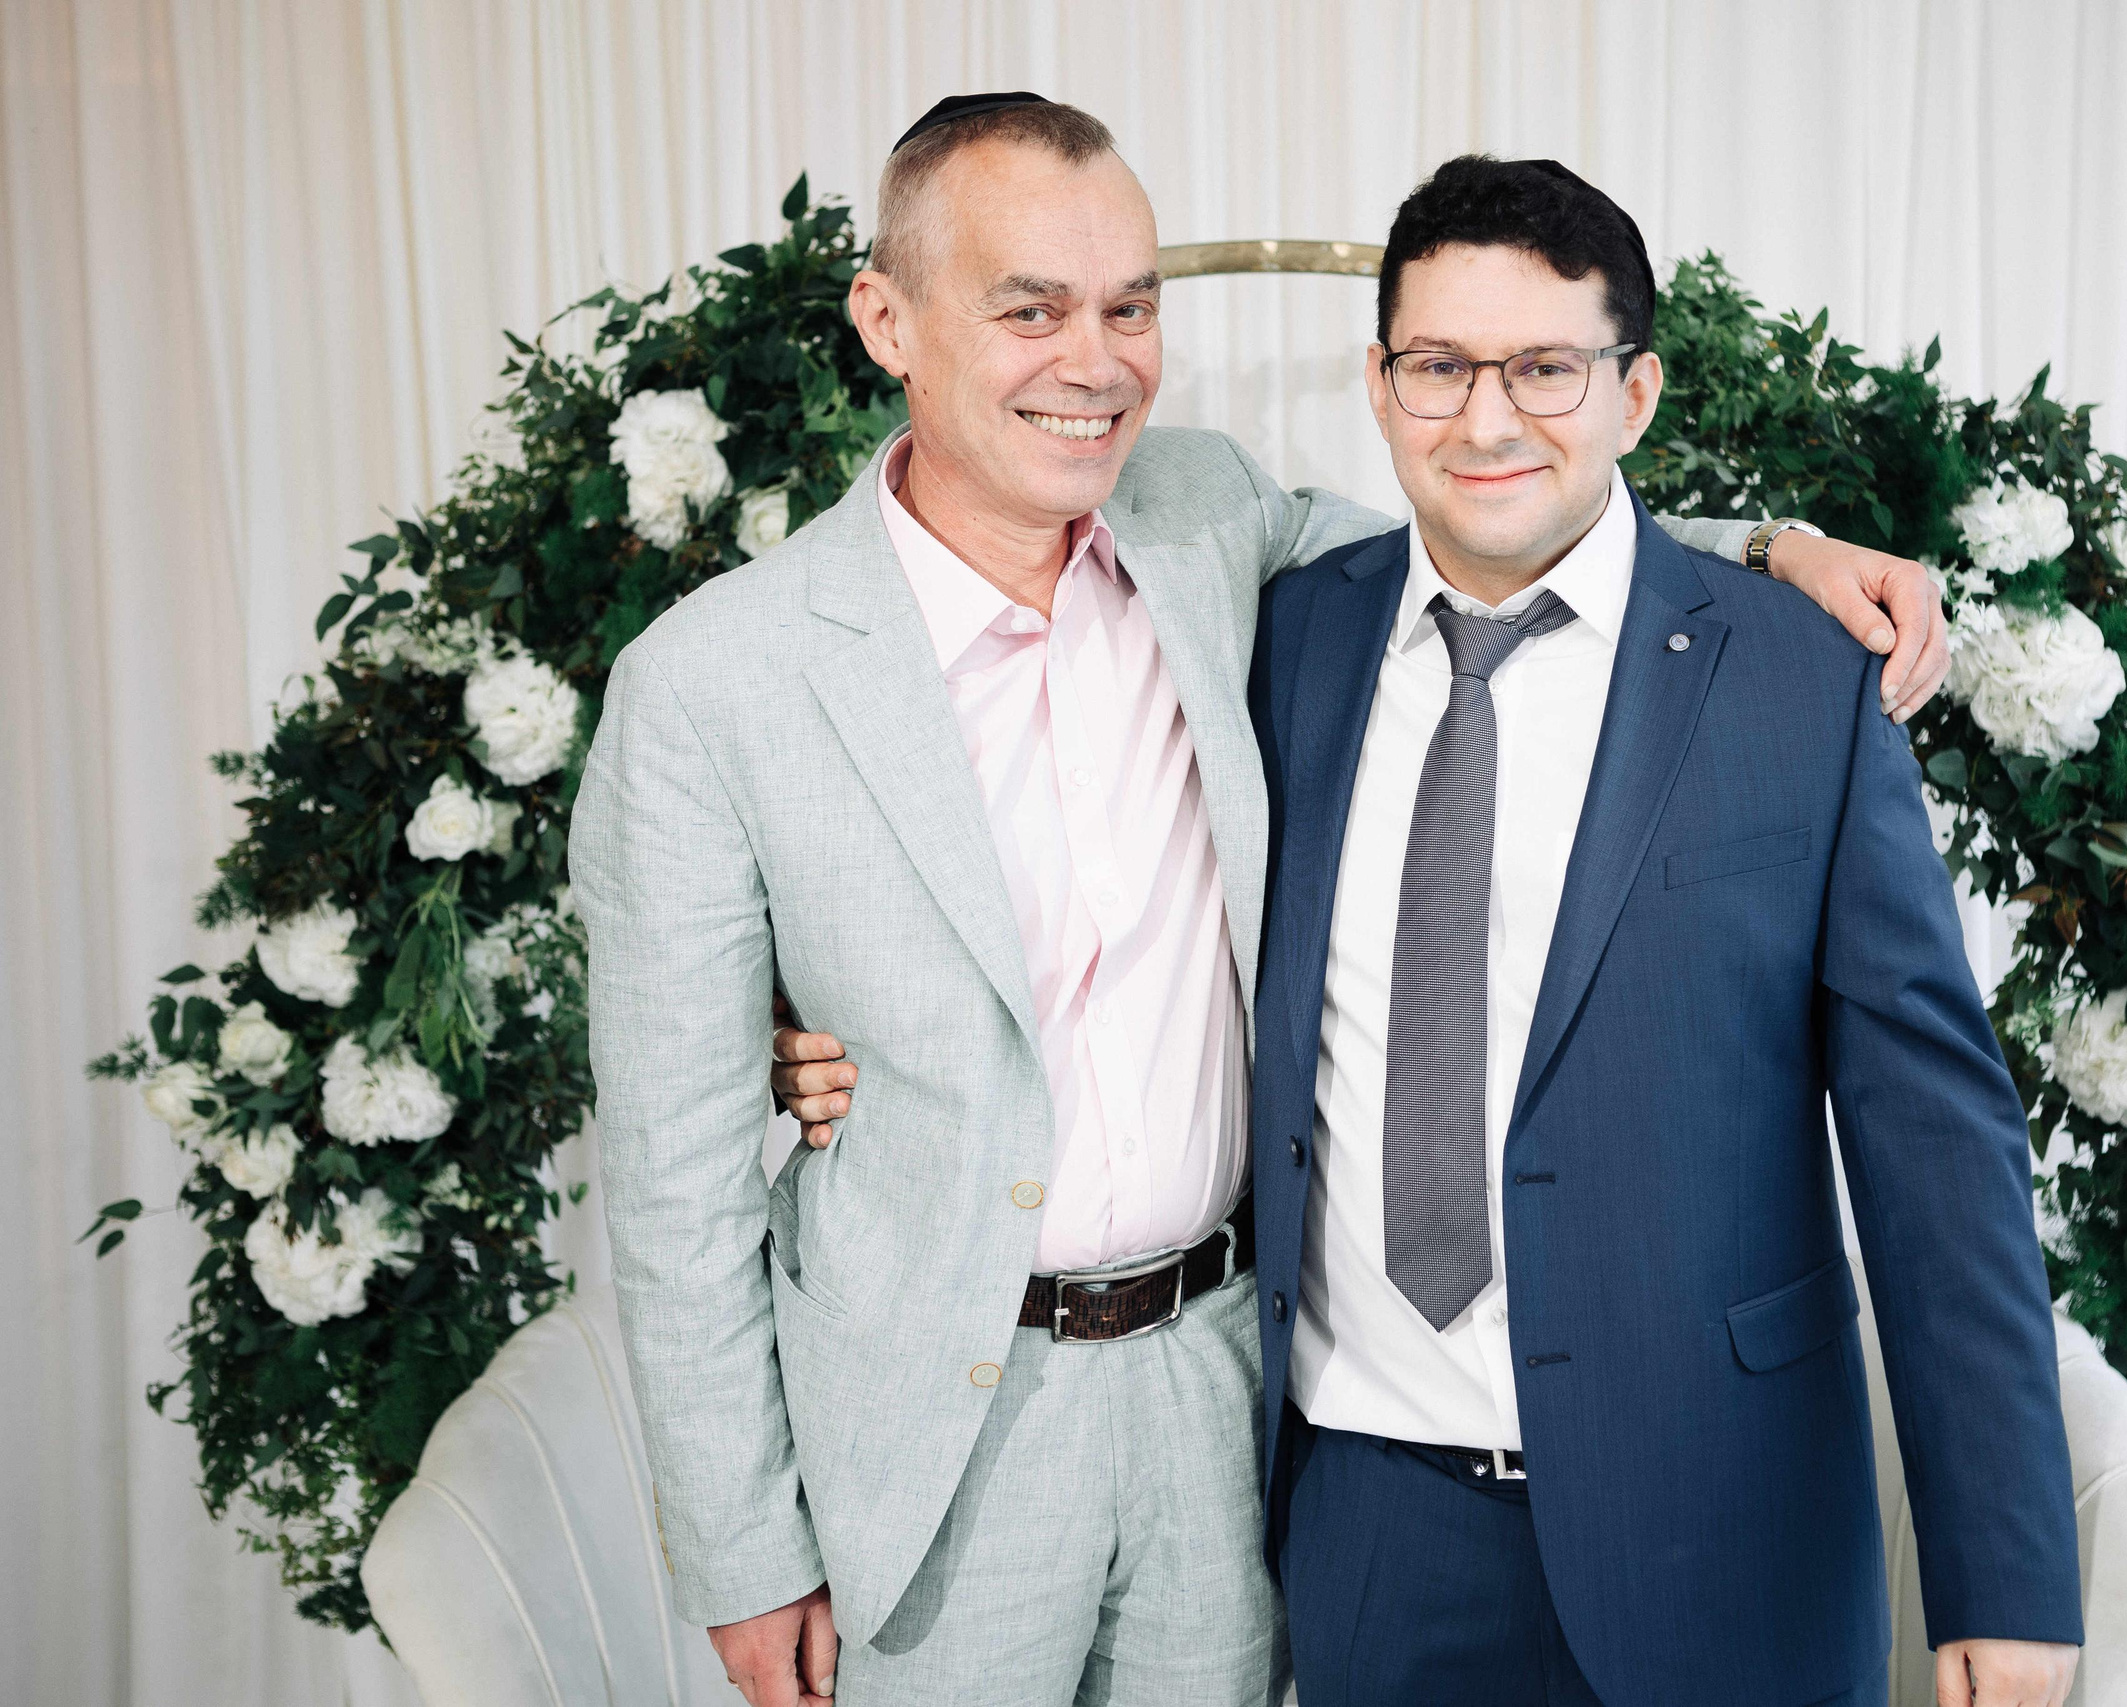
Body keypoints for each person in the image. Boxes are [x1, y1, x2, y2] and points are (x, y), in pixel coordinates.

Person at [596, 95, 1947, 1707]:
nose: (1094, 362)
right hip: (936, 1443)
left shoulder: (1203, 520)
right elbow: (672, 1187)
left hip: (1219, 1397)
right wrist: (745, 1551)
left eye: (1131, 307)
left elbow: (1495, 536)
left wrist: (1771, 551)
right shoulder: (711, 685)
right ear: (888, 321)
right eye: (1030, 310)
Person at [1234, 155, 2084, 1706]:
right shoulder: (1289, 641)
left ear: (1635, 392)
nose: (1486, 419)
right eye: (1439, 366)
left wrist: (2007, 1575)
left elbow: (1937, 1144)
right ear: (1379, 383)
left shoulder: (1799, 679)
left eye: (1545, 369)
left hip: (1727, 1525)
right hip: (1375, 1528)